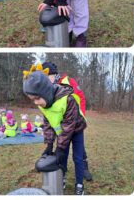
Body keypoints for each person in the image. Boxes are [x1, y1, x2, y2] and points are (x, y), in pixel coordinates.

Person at [23, 64, 87, 195]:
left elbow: (69, 127)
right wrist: (49, 144)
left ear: (45, 92)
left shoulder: (67, 99)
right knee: (60, 157)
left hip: (76, 130)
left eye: (37, 98)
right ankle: (61, 177)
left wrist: (60, 148)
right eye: (32, 99)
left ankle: (79, 184)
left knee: (77, 158)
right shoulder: (44, 103)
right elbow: (47, 124)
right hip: (63, 132)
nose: (36, 103)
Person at [41, 61, 92, 182]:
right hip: (61, 124)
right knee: (63, 147)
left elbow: (81, 97)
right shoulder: (47, 87)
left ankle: (84, 168)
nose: (46, 80)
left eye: (47, 76)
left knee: (79, 150)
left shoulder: (69, 81)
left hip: (75, 121)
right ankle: (62, 173)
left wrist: (81, 116)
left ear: (54, 74)